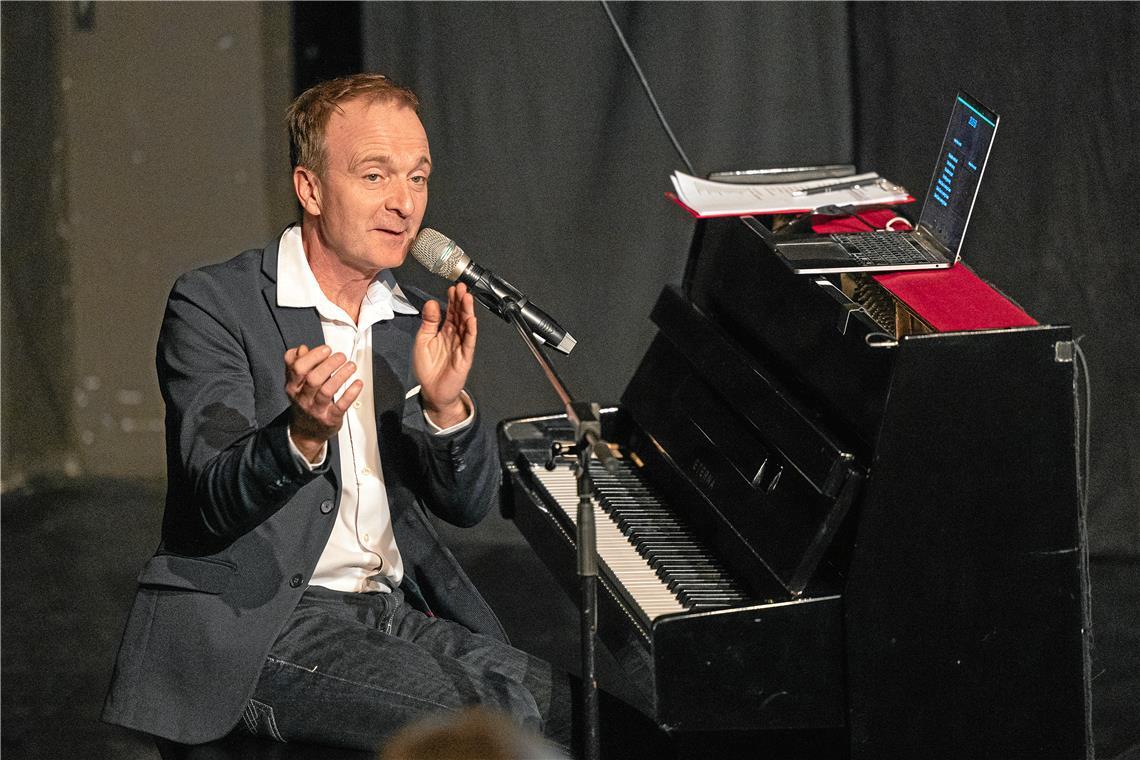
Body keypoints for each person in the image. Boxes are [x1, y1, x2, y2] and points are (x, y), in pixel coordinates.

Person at [102, 73, 573, 753]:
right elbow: (209, 496)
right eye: (376, 175)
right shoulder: (216, 304)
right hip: (264, 621)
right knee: (497, 720)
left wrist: (446, 408)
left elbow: (467, 506)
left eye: (418, 178)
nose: (404, 204)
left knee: (597, 724)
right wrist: (301, 436)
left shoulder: (409, 316)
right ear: (311, 189)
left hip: (389, 609)